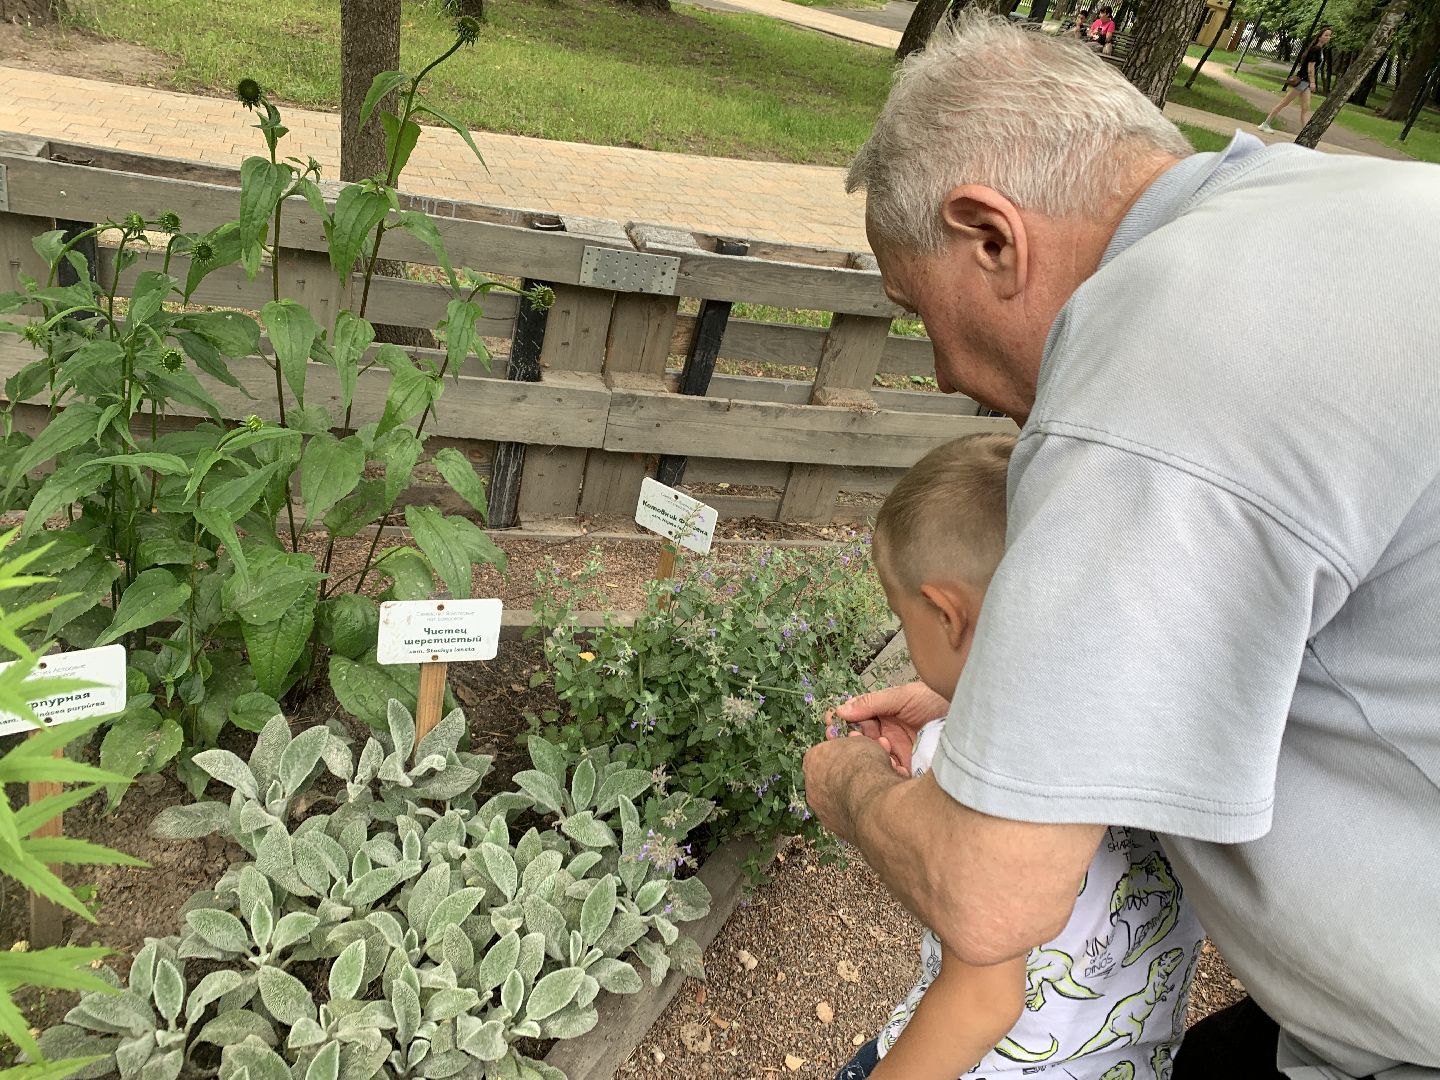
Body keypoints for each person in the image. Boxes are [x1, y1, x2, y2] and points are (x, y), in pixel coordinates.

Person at [805, 14, 1440, 1080]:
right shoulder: (1340, 212)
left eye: (916, 309)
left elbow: (993, 900)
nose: (946, 373)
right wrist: (995, 697)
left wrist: (843, 788)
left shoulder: (1161, 359)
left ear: (991, 237)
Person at [832, 433, 1203, 1080]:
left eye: (902, 615)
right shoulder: (1177, 718)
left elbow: (981, 1001)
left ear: (947, 614)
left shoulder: (970, 760)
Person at [1260, 27, 1331, 132]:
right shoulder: (1315, 49)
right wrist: (1312, 82)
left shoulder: (1319, 50)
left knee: (1305, 108)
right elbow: (1310, 67)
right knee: (1284, 103)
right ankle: (1265, 124)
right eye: (1326, 35)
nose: (1328, 37)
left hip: (1305, 83)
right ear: (1320, 37)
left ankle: (1304, 134)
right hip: (1302, 81)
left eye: (1329, 35)